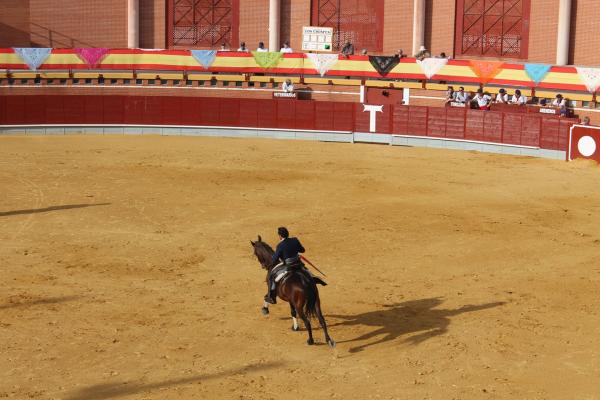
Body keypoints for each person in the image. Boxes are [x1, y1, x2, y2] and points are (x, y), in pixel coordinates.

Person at [265, 227, 306, 304]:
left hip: (289, 266)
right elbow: (302, 250)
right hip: (298, 264)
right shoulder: (295, 240)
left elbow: (274, 259)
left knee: (271, 277)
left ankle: (271, 296)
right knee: (307, 272)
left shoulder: (280, 245)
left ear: (280, 236)